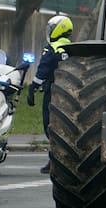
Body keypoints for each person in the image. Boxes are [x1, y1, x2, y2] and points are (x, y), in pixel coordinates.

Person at [28, 15, 73, 174]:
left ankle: (54, 160)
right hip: (69, 92)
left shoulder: (52, 48)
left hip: (53, 91)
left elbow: (43, 69)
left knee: (50, 126)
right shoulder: (72, 48)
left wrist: (33, 87)